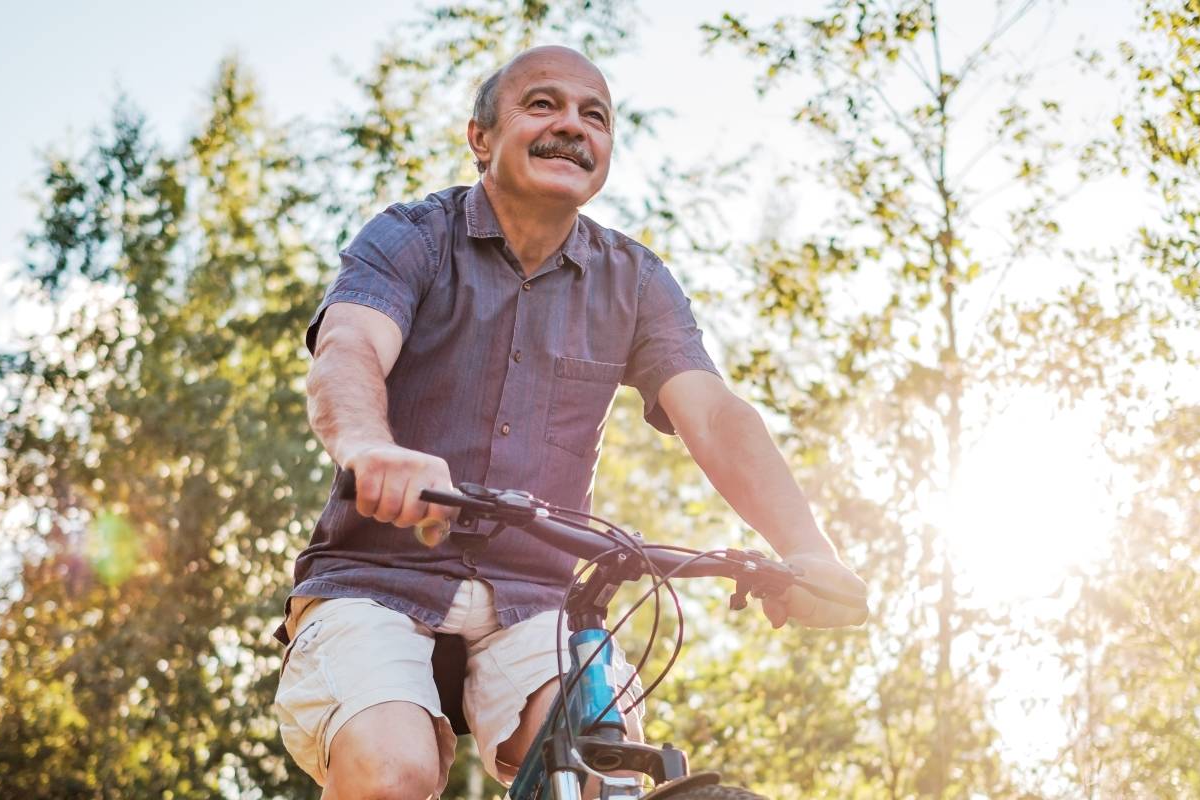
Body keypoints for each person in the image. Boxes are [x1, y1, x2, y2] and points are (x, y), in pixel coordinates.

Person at [274, 44, 867, 799]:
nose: (572, 127)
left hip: (538, 598)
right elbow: (349, 347)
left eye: (596, 116)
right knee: (392, 771)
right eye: (543, 105)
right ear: (481, 137)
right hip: (378, 579)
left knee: (602, 767)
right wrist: (369, 448)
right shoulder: (413, 238)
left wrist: (804, 550)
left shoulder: (634, 282)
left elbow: (712, 415)